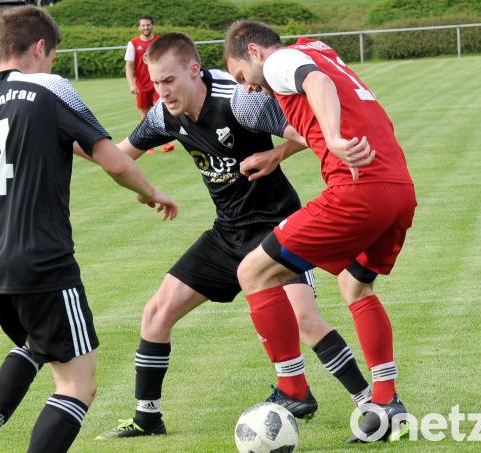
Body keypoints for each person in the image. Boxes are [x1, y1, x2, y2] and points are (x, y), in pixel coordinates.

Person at [84, 33, 372, 440]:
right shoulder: (164, 116)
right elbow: (117, 157)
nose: (161, 91)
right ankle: (147, 417)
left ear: (193, 69)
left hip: (276, 225)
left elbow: (310, 133)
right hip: (227, 232)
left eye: (169, 80)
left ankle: (370, 404)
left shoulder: (239, 99)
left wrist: (275, 154)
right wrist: (68, 139)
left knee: (305, 320)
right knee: (156, 312)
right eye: (155, 82)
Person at [0, 7, 178, 453]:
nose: (51, 65)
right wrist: (151, 192)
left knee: (35, 344)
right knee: (77, 385)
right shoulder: (52, 88)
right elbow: (112, 159)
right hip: (43, 261)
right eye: (51, 56)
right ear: (39, 48)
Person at [223, 21, 416, 443]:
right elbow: (322, 86)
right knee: (355, 286)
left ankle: (293, 388)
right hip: (398, 189)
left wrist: (333, 138)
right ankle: (386, 403)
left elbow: (317, 84)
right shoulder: (317, 47)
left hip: (357, 189)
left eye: (241, 76)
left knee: (253, 272)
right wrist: (279, 151)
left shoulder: (277, 62)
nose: (248, 88)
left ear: (254, 51)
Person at [124, 14, 175, 153]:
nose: (146, 27)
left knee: (163, 111)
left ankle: (165, 143)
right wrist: (131, 84)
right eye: (143, 25)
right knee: (145, 113)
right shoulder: (133, 43)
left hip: (159, 83)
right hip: (142, 85)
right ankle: (148, 144)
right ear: (139, 27)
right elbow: (129, 65)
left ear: (152, 25)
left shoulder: (159, 41)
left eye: (148, 25)